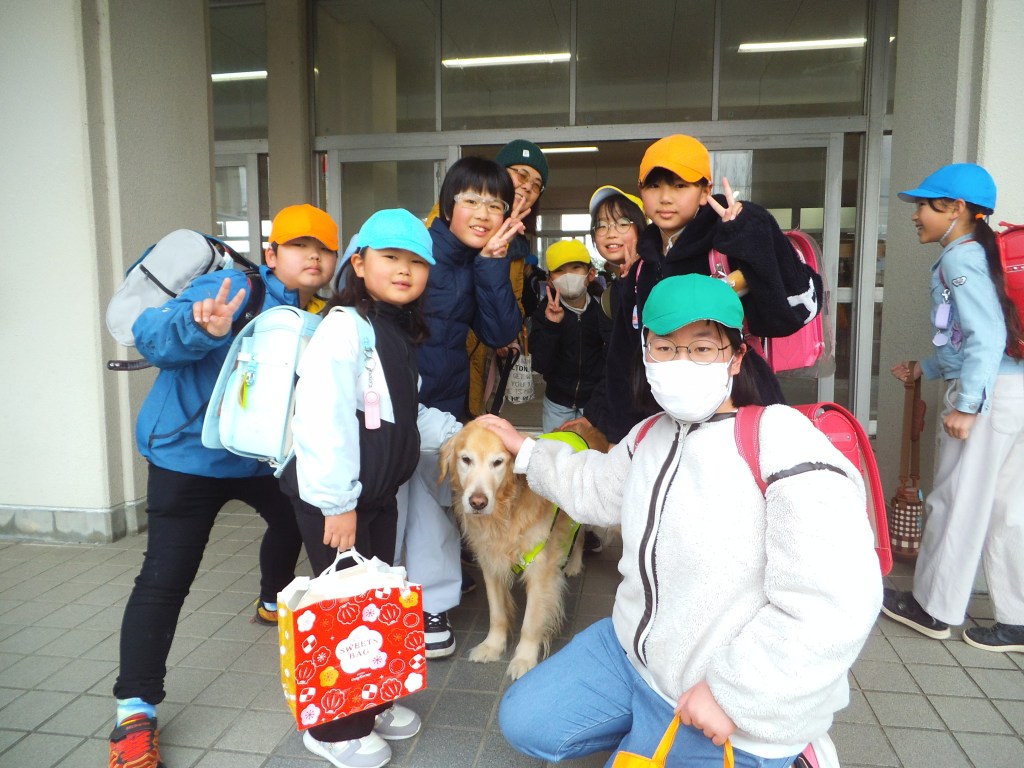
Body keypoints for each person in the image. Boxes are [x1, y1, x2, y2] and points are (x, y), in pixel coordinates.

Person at [479, 273, 881, 768]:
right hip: (634, 658)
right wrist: (526, 452)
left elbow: (837, 601)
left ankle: (796, 751)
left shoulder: (782, 440)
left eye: (702, 348)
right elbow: (596, 487)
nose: (681, 362)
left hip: (728, 699)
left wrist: (734, 694)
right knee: (525, 718)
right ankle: (641, 726)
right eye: (665, 348)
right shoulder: (649, 434)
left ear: (736, 357)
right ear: (646, 356)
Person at [108, 205, 339, 767]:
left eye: (324, 249)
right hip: (187, 456)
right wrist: (196, 326)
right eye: (299, 245)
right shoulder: (232, 286)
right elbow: (152, 337)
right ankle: (135, 710)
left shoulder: (318, 313)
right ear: (272, 253)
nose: (313, 256)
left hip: (256, 459)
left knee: (291, 517)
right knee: (166, 579)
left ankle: (271, 599)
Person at [281, 208, 460, 768]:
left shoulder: (394, 330)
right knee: (342, 610)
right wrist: (338, 504)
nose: (404, 270)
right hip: (337, 501)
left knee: (372, 605)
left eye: (416, 262)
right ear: (359, 263)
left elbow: (404, 414)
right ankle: (333, 729)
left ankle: (372, 701)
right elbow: (322, 418)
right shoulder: (345, 327)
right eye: (390, 257)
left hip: (375, 496)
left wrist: (464, 433)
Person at [580, 134, 822, 444]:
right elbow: (624, 360)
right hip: (663, 425)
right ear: (641, 191)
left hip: (738, 420)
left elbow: (787, 315)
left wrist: (752, 232)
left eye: (680, 185)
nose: (665, 198)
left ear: (705, 191)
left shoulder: (729, 243)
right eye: (654, 186)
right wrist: (619, 433)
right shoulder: (641, 269)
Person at [880, 163, 1024, 651]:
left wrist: (966, 404)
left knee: (956, 501)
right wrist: (925, 367)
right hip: (1013, 392)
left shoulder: (960, 259)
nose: (915, 214)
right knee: (1008, 508)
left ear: (957, 209)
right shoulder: (984, 254)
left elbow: (986, 336)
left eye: (925, 205)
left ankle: (934, 609)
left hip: (987, 397)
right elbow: (966, 337)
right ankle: (1017, 619)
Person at [397, 157, 525, 659]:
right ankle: (385, 603)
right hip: (393, 402)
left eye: (495, 205)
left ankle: (431, 605)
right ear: (447, 207)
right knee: (391, 506)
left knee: (434, 505)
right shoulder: (414, 250)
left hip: (443, 405)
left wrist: (492, 266)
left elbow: (500, 332)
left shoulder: (480, 262)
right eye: (471, 200)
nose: (483, 214)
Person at [465, 139, 549, 416]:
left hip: (486, 347)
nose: (527, 186)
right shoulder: (464, 215)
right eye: (521, 175)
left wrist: (511, 334)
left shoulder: (518, 240)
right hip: (453, 346)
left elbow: (514, 296)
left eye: (536, 184)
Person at [530, 239, 610, 432]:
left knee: (593, 450)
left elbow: (612, 358)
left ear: (591, 274)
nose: (568, 276)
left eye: (575, 268)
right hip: (557, 404)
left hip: (593, 404)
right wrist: (552, 326)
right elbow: (540, 364)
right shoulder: (543, 313)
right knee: (555, 450)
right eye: (560, 271)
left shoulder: (603, 310)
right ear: (550, 280)